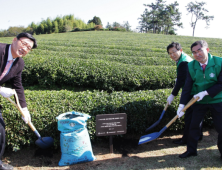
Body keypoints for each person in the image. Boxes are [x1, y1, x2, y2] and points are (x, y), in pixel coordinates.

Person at [177, 40, 222, 159]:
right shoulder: (191, 65)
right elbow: (187, 87)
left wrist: (206, 92)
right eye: (194, 52)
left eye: (199, 50)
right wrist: (181, 105)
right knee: (194, 126)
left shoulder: (220, 62)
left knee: (221, 127)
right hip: (199, 100)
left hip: (217, 99)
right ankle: (191, 150)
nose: (197, 54)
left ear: (207, 50)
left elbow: (221, 83)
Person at [0, 33, 37, 170]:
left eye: (29, 48)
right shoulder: (0, 51)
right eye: (24, 44)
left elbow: (18, 87)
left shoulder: (19, 63)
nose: (25, 48)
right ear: (14, 40)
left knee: (0, 130)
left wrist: (25, 109)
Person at [166, 42, 203, 145]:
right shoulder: (183, 58)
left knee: (189, 117)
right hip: (197, 89)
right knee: (197, 115)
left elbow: (181, 82)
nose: (172, 55)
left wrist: (173, 94)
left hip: (192, 92)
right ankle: (198, 135)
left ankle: (186, 139)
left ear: (180, 50)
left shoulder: (183, 62)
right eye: (170, 53)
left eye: (174, 52)